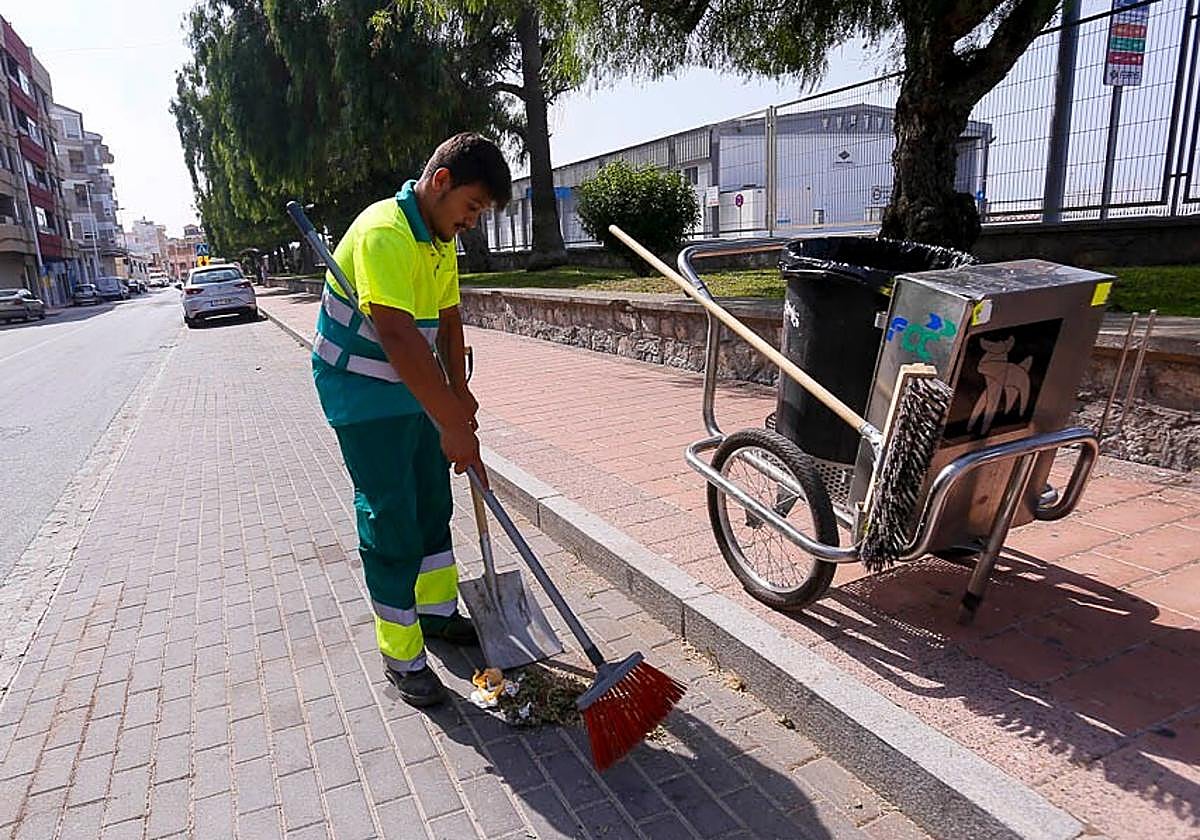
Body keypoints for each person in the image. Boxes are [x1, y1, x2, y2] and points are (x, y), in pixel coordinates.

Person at [312, 133, 511, 707]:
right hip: (363, 390)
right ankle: (401, 654)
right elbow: (397, 335)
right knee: (392, 513)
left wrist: (461, 401)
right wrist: (448, 421)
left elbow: (447, 326)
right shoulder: (384, 233)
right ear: (440, 182)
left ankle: (437, 613)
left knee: (432, 500)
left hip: (412, 383)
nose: (472, 222)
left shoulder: (441, 238)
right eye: (471, 208)